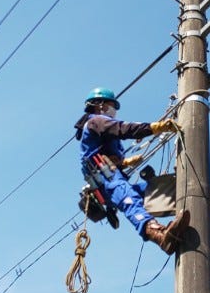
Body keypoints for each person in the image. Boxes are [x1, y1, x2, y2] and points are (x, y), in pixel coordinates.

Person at [75, 87, 189, 254]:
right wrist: (154, 128)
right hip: (105, 178)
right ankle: (158, 234)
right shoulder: (96, 122)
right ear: (99, 104)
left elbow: (108, 156)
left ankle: (194, 201)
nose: (113, 110)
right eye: (111, 105)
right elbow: (124, 129)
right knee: (129, 199)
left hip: (109, 177)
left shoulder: (99, 129)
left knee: (151, 188)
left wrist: (125, 162)